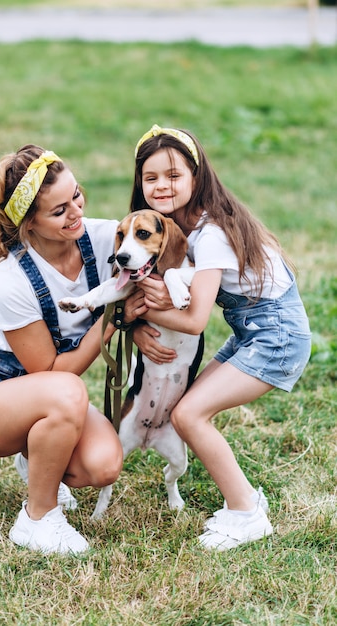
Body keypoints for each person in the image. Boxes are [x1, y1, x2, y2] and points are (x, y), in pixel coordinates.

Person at [129, 124, 311, 550]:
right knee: (186, 407)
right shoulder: (179, 226)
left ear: (197, 176)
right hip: (253, 329)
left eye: (173, 176)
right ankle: (246, 501)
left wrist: (138, 312)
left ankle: (246, 512)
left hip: (276, 334)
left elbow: (193, 321)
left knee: (189, 414)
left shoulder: (211, 233)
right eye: (150, 177)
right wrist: (137, 321)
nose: (161, 187)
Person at [0, 144, 133, 555]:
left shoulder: (105, 239)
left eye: (77, 195)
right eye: (59, 211)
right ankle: (37, 518)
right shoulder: (11, 279)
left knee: (103, 465)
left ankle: (38, 455)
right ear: (28, 223)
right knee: (67, 391)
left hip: (53, 398)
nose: (77, 212)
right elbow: (51, 370)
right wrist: (111, 318)